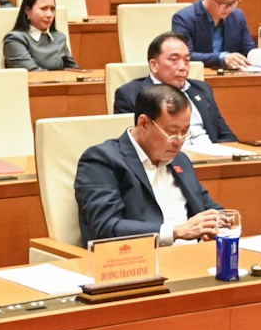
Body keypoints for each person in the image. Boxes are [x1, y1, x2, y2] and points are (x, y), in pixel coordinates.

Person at [74, 82, 228, 245]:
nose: (179, 141)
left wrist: (222, 221)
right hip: (138, 261)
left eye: (185, 132)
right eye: (171, 132)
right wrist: (176, 232)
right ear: (144, 123)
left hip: (192, 256)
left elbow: (209, 208)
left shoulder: (180, 160)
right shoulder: (101, 160)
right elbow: (106, 227)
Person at [110, 32, 239, 146]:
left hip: (211, 157)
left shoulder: (202, 89)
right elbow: (132, 145)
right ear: (154, 65)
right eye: (174, 60)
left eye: (187, 60)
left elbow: (227, 137)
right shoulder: (130, 94)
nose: (183, 67)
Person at [170, 0, 255, 71]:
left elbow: (249, 51)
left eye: (234, 2)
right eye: (223, 3)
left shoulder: (237, 16)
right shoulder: (183, 19)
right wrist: (222, 58)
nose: (229, 8)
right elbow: (185, 56)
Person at [2, 0, 78, 71]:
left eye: (52, 9)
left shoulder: (59, 37)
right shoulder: (15, 40)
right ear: (28, 10)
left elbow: (73, 71)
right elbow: (32, 73)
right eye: (43, 8)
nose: (49, 15)